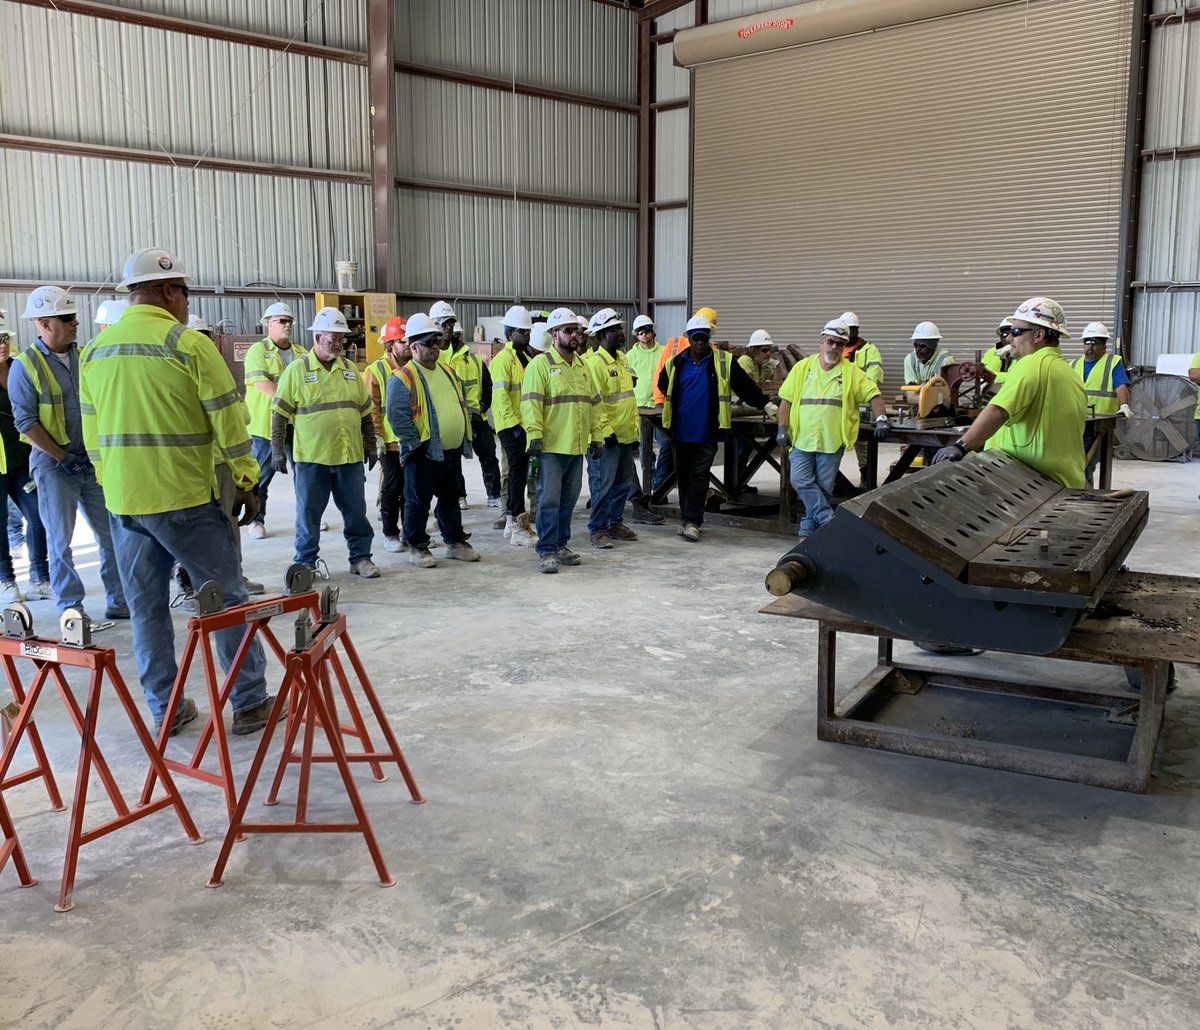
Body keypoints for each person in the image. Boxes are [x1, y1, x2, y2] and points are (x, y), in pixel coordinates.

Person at [79, 247, 275, 737]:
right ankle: (249, 702)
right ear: (168, 291)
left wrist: (112, 482)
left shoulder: (95, 351)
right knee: (225, 599)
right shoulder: (187, 344)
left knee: (146, 611)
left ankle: (165, 710)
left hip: (125, 504)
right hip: (185, 498)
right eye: (186, 293)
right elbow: (229, 420)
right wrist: (246, 479)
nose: (187, 303)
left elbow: (91, 434)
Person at [11, 286, 128, 622]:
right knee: (60, 542)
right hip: (53, 466)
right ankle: (70, 607)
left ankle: (119, 600)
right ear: (44, 323)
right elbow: (26, 422)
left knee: (111, 534)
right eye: (67, 318)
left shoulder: (86, 356)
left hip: (90, 462)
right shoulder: (26, 366)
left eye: (74, 316)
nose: (76, 323)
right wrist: (62, 457)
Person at [271, 307, 380, 579]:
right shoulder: (297, 371)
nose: (339, 344)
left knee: (356, 513)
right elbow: (279, 414)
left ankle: (361, 558)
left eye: (341, 338)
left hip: (348, 457)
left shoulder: (350, 370)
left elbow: (365, 413)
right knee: (308, 515)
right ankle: (306, 562)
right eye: (333, 338)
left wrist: (370, 444)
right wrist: (277, 450)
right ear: (317, 338)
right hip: (312, 459)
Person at [933, 297, 1086, 488]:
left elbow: (998, 410)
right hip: (1063, 482)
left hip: (1029, 483)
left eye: (1016, 331)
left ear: (1038, 335)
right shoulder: (1070, 373)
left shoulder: (1032, 364)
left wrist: (961, 446)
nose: (1008, 338)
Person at [656, 313, 770, 542]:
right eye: (696, 338)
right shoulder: (676, 363)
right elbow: (662, 384)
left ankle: (693, 521)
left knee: (699, 475)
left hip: (707, 432)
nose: (700, 342)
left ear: (709, 338)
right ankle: (687, 519)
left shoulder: (723, 362)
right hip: (680, 432)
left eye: (704, 338)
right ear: (689, 338)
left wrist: (765, 404)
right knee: (683, 476)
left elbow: (744, 386)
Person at [777, 319, 888, 540]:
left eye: (840, 344)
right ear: (821, 342)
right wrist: (782, 428)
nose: (834, 347)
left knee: (823, 488)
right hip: (801, 439)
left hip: (831, 441)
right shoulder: (803, 368)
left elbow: (873, 394)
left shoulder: (851, 372)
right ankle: (828, 519)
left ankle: (808, 530)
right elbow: (786, 400)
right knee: (799, 480)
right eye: (830, 342)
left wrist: (882, 418)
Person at [386, 313, 480, 568]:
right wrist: (414, 445)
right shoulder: (404, 377)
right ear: (414, 347)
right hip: (423, 452)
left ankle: (454, 542)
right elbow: (397, 416)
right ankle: (417, 546)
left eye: (437, 341)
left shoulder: (447, 371)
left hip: (450, 450)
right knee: (417, 502)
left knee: (450, 499)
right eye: (429, 343)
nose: (436, 347)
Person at [521, 308, 605, 573]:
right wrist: (534, 435)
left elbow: (594, 404)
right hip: (551, 447)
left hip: (576, 446)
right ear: (554, 334)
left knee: (568, 500)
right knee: (549, 500)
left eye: (576, 331)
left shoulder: (582, 366)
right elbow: (531, 403)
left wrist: (598, 436)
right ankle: (546, 549)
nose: (574, 335)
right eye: (568, 331)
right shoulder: (540, 365)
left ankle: (560, 544)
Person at [186, 314, 264, 596]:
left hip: (222, 465)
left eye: (205, 338)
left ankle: (235, 579)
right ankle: (194, 586)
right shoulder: (180, 377)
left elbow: (242, 414)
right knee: (192, 529)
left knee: (229, 526)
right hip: (193, 467)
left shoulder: (218, 372)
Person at [243, 301, 306, 540]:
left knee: (305, 473)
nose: (287, 325)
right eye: (282, 321)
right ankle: (256, 519)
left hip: (297, 425)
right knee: (261, 476)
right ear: (269, 324)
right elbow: (263, 385)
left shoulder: (301, 353)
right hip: (266, 427)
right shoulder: (258, 351)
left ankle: (308, 517)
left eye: (289, 321)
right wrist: (294, 398)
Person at [0, 319, 51, 603]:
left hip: (23, 461)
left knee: (39, 516)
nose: (2, 345)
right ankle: (6, 580)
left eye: (4, 338)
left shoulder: (18, 367)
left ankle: (40, 579)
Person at [584, 308, 639, 549]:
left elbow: (628, 396)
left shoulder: (622, 360)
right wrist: (606, 432)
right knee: (602, 485)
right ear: (601, 335)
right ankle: (598, 529)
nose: (621, 332)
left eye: (619, 328)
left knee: (623, 483)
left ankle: (614, 523)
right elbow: (595, 402)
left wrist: (634, 433)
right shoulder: (595, 364)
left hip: (625, 434)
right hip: (607, 437)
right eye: (614, 329)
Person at [489, 305, 538, 548]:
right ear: (510, 334)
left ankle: (512, 520)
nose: (527, 334)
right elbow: (501, 397)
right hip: (511, 426)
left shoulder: (526, 359)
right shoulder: (503, 359)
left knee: (521, 473)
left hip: (523, 425)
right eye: (522, 331)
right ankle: (518, 524)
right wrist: (515, 427)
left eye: (528, 331)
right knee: (517, 473)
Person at [446, 318, 502, 510]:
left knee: (488, 456)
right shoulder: (440, 360)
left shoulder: (475, 360)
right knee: (453, 460)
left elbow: (487, 386)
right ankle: (459, 495)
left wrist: (482, 407)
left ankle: (494, 494)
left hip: (478, 418)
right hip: (455, 419)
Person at [365, 316, 409, 552]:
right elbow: (372, 407)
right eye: (402, 341)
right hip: (391, 443)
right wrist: (377, 437)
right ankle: (391, 534)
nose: (408, 345)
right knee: (392, 489)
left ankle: (411, 532)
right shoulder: (376, 370)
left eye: (409, 340)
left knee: (412, 490)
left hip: (414, 441)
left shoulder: (416, 367)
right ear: (390, 344)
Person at [1073, 322, 1132, 485]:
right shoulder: (1074, 364)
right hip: (1077, 421)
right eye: (1087, 342)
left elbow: (1121, 386)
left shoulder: (1113, 362)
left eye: (1095, 342)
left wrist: (1124, 405)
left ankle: (1085, 493)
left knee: (1087, 464)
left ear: (1104, 345)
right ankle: (1083, 491)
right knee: (1076, 464)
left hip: (1100, 425)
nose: (1090, 346)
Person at [623, 313, 668, 524]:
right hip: (639, 407)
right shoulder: (630, 355)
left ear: (653, 331)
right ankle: (648, 491)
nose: (644, 334)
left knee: (667, 444)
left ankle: (660, 484)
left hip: (659, 406)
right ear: (635, 334)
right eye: (640, 331)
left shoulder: (663, 351)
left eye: (647, 330)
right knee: (644, 450)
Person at [840, 312, 885, 484]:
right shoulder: (836, 347)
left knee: (863, 444)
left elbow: (873, 379)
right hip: (838, 406)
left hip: (862, 406)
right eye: (846, 329)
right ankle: (835, 482)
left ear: (857, 330)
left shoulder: (869, 351)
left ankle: (866, 479)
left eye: (852, 330)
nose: (849, 333)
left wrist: (851, 388)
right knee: (833, 443)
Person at [982, 318, 1016, 385]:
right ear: (1000, 337)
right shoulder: (990, 353)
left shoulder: (1024, 353)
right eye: (1005, 335)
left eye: (1012, 334)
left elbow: (1017, 377)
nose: (1008, 338)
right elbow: (984, 377)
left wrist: (995, 377)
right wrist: (999, 356)